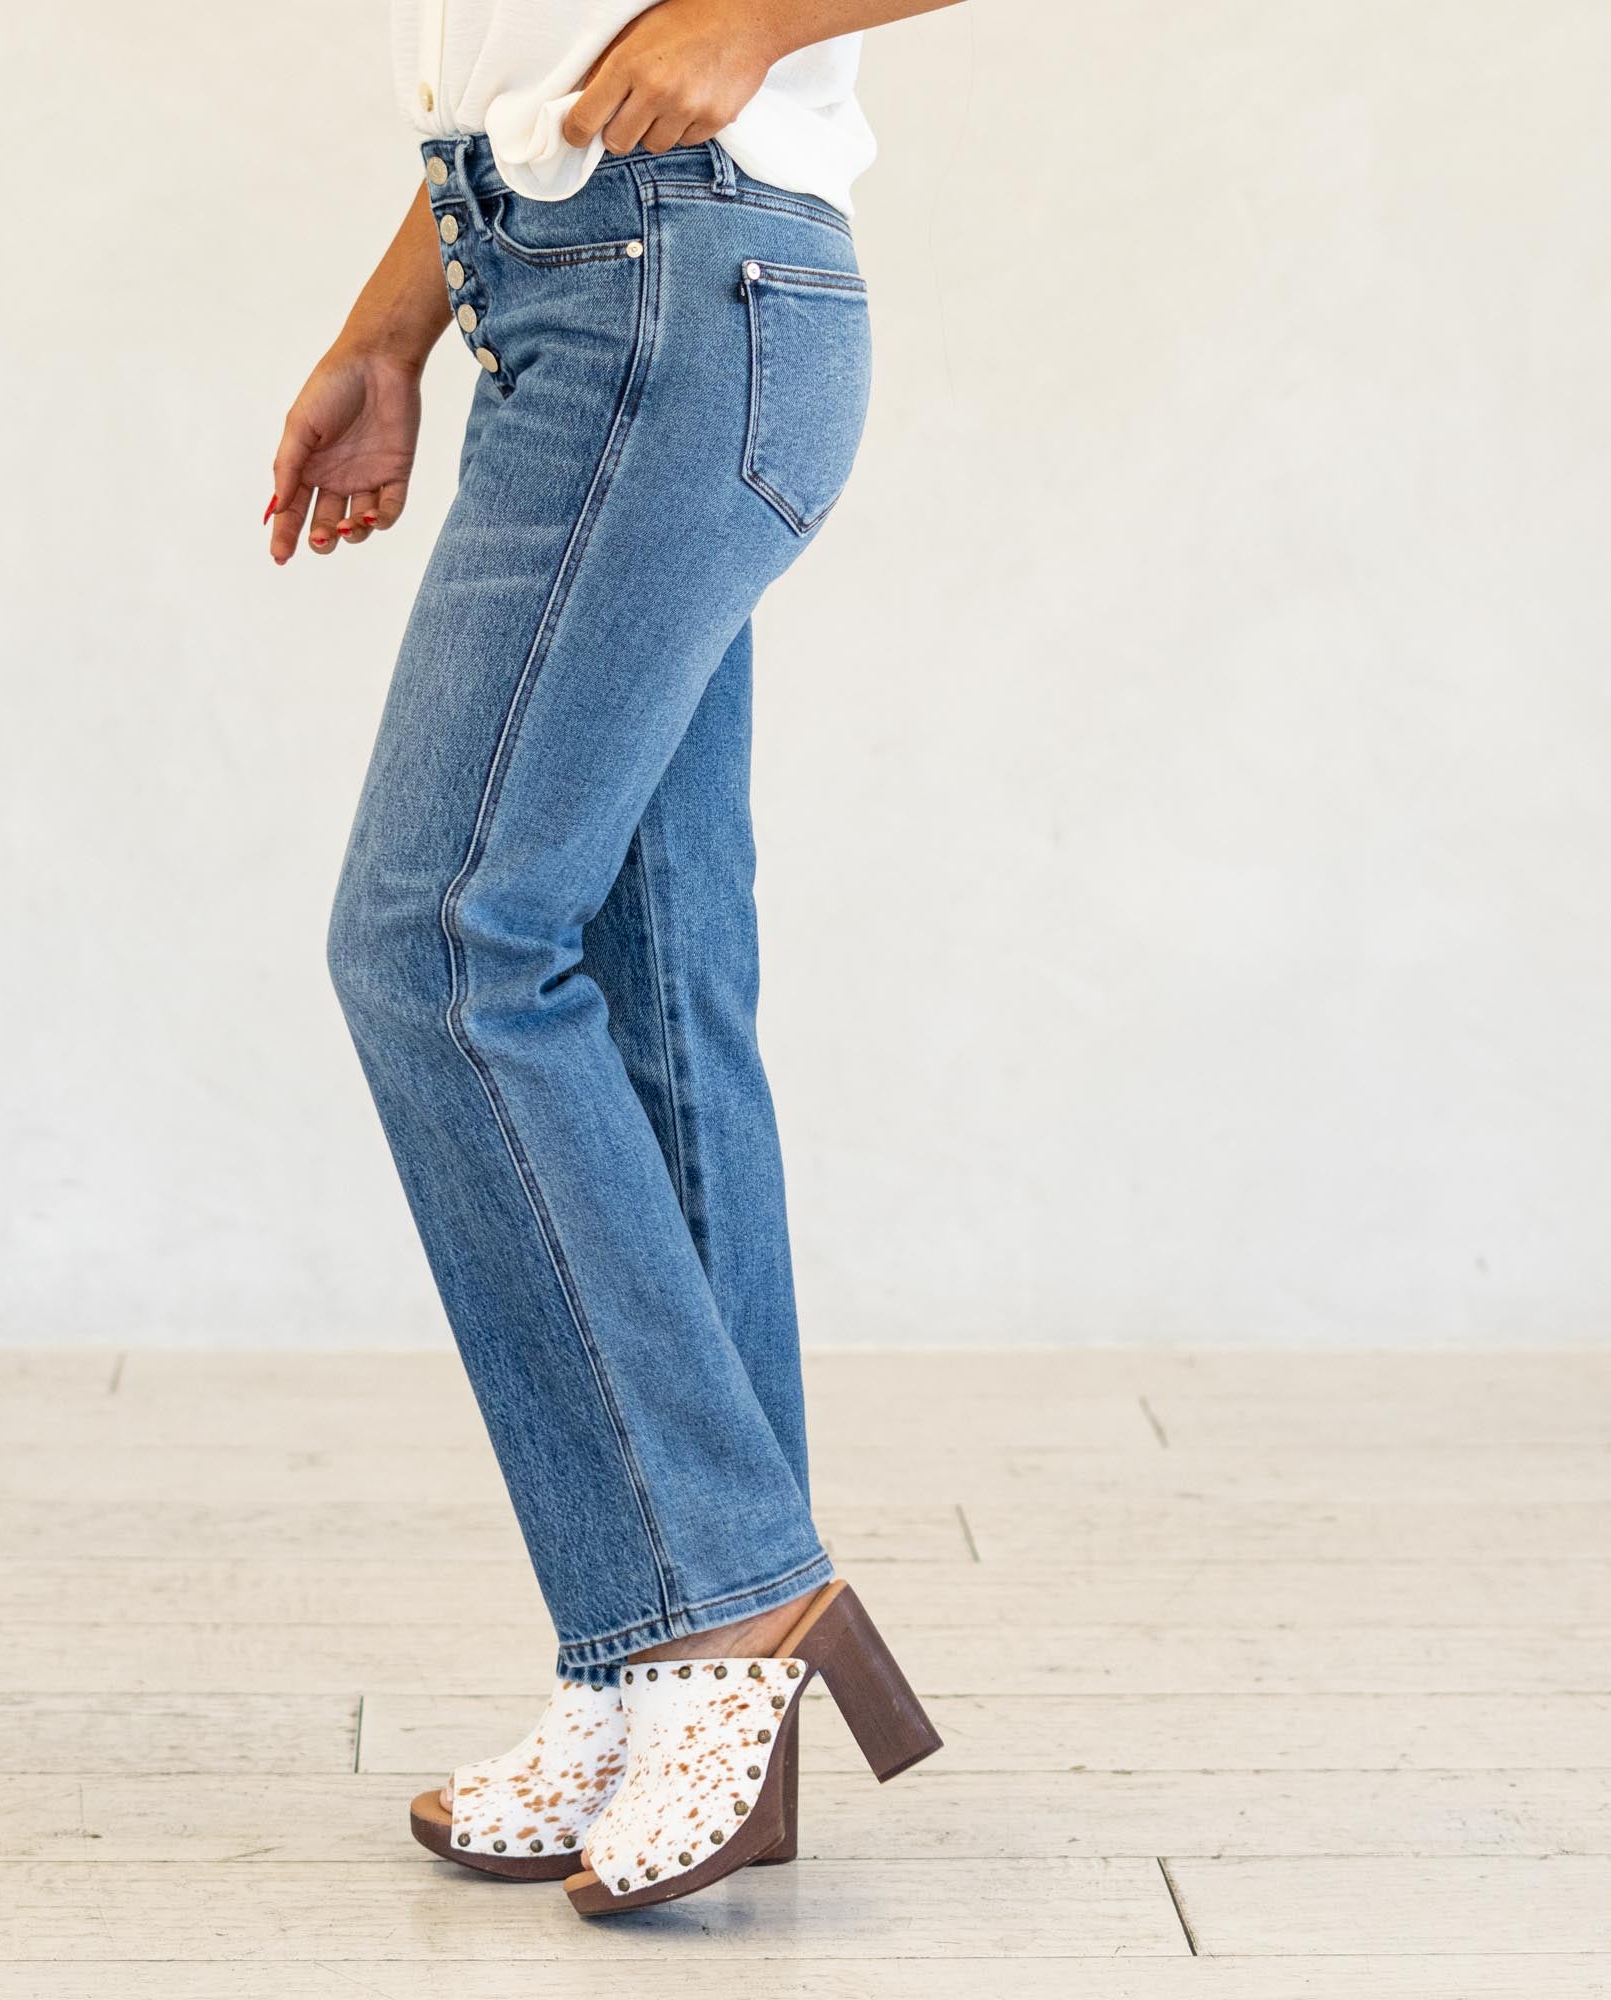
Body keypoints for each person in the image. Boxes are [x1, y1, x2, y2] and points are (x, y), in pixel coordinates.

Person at [269, 0, 959, 1915]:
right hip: (591, 284)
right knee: (651, 991)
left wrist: (753, 19)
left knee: (445, 943)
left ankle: (717, 1603)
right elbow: (529, 65)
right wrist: (392, 325)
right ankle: (662, 1656)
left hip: (671, 285)